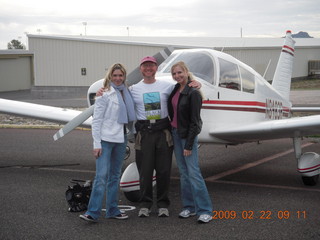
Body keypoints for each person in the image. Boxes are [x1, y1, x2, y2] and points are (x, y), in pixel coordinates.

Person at [96, 56, 201, 218]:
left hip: (163, 132)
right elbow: (117, 93)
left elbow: (183, 88)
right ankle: (145, 204)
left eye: (151, 65)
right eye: (145, 66)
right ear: (141, 69)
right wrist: (102, 90)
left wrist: (195, 84)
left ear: (156, 68)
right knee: (144, 171)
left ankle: (163, 204)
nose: (148, 68)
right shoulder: (133, 89)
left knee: (164, 170)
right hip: (144, 133)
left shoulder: (168, 87)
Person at [80, 63, 136, 222]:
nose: (118, 79)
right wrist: (96, 144)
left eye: (121, 76)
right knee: (101, 176)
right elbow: (96, 121)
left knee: (114, 176)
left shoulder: (128, 92)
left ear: (124, 77)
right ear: (110, 77)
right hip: (105, 140)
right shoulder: (103, 94)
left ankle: (113, 210)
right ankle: (92, 212)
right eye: (115, 75)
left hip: (121, 139)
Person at [167, 61, 213, 223]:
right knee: (184, 173)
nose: (177, 76)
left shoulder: (193, 93)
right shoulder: (174, 89)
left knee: (194, 173)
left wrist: (188, 144)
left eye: (180, 72)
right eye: (174, 74)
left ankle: (205, 210)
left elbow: (195, 122)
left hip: (187, 137)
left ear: (186, 72)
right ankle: (189, 207)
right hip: (175, 134)